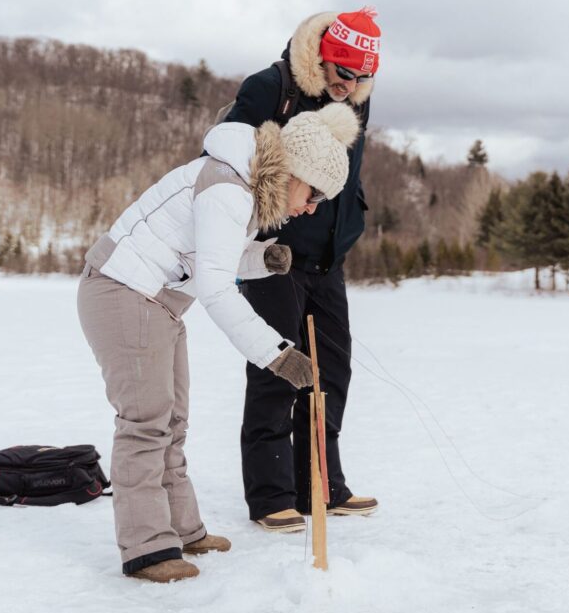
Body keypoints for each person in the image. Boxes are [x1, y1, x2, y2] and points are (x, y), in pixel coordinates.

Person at [78, 103, 360, 582]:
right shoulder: (228, 189)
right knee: (146, 423)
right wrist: (277, 354)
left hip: (157, 301)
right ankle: (146, 548)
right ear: (295, 172)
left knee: (173, 421)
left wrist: (261, 259)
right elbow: (213, 285)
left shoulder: (243, 189)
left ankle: (182, 531)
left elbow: (213, 257)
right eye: (314, 194)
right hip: (123, 293)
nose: (311, 208)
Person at [224, 7, 381, 532]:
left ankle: (321, 486)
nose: (350, 85)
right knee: (278, 370)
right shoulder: (271, 87)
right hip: (272, 255)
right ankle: (271, 497)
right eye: (342, 73)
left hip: (328, 260)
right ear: (322, 59)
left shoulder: (358, 98)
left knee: (332, 373)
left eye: (362, 77)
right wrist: (263, 230)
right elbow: (229, 161)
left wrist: (349, 223)